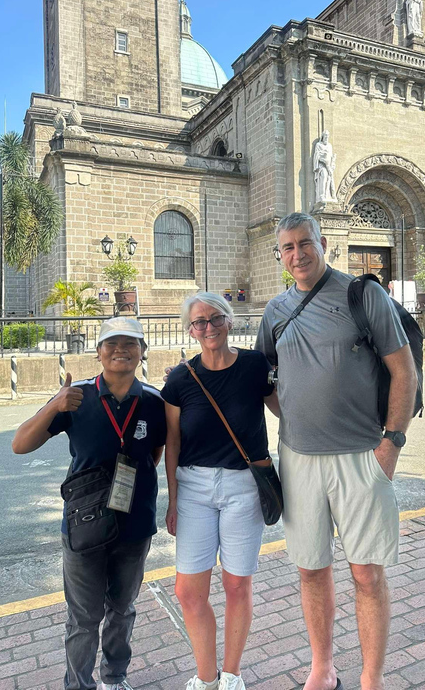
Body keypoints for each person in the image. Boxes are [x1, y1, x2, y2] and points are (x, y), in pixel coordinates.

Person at [255, 212, 417, 690]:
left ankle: (371, 678)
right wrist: (300, 415)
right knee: (311, 568)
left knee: (366, 573)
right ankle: (322, 668)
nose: (297, 254)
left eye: (305, 243)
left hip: (362, 457)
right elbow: (264, 377)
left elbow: (404, 372)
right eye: (287, 247)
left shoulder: (363, 295)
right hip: (299, 459)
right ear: (279, 255)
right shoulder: (275, 310)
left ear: (323, 243)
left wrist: (391, 445)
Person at [12, 317, 166, 690]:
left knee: (122, 609)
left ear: (142, 351)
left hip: (134, 525)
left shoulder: (154, 402)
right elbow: (19, 444)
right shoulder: (75, 397)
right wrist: (53, 407)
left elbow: (156, 454)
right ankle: (78, 685)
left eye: (130, 344)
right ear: (98, 352)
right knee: (82, 617)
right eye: (111, 344)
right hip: (83, 526)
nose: (120, 351)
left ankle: (115, 677)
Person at [162, 292, 278, 690]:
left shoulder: (253, 366)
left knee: (236, 584)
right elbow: (173, 443)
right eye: (198, 322)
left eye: (215, 319)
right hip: (193, 487)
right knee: (188, 590)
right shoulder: (180, 379)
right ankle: (205, 676)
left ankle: (231, 675)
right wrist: (173, 499)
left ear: (229, 322)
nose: (207, 328)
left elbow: (286, 408)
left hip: (243, 486)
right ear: (190, 330)